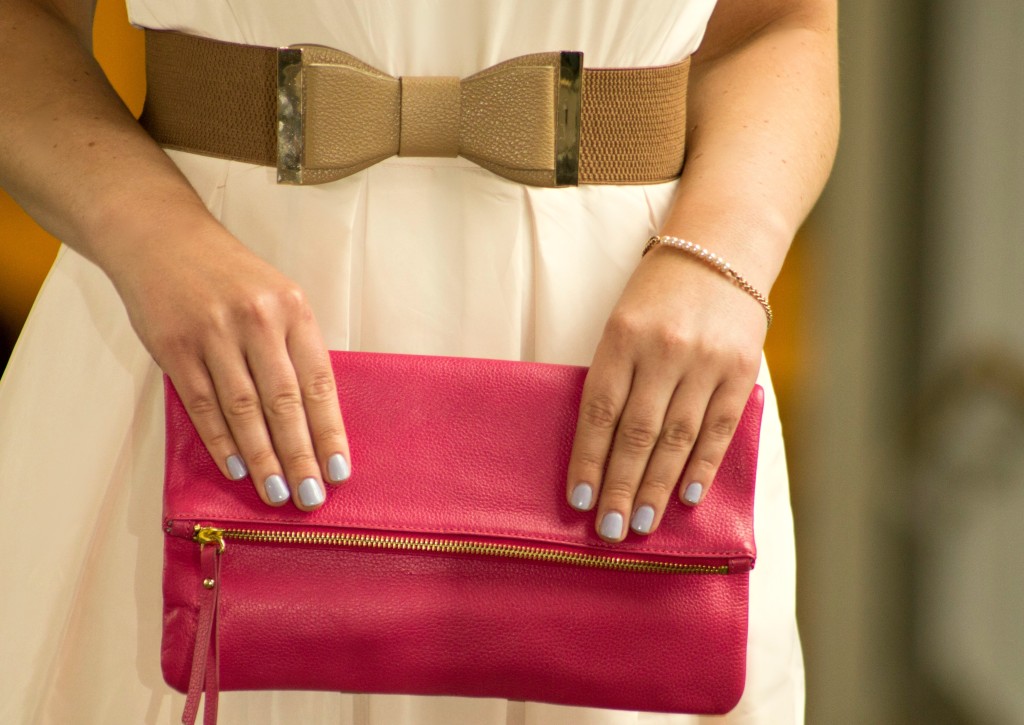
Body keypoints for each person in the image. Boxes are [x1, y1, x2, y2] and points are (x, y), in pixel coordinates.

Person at [0, 0, 839, 723]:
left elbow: (775, 28)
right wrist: (152, 238)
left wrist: (721, 259)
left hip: (637, 353)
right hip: (200, 335)